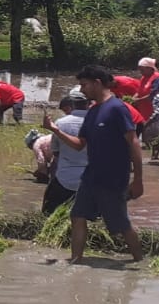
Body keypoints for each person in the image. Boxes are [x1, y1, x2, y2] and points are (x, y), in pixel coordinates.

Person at [48, 65, 143, 264]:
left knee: (120, 225)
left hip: (113, 177)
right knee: (78, 216)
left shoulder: (117, 108)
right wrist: (55, 130)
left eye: (84, 85)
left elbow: (133, 142)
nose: (81, 90)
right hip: (91, 176)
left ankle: (139, 262)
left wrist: (138, 180)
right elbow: (80, 145)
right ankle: (75, 261)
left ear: (97, 83)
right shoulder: (92, 112)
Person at [38, 87, 90, 215]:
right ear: (89, 103)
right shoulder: (99, 122)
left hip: (65, 177)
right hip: (92, 179)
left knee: (48, 212)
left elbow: (56, 152)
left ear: (71, 103)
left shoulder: (60, 123)